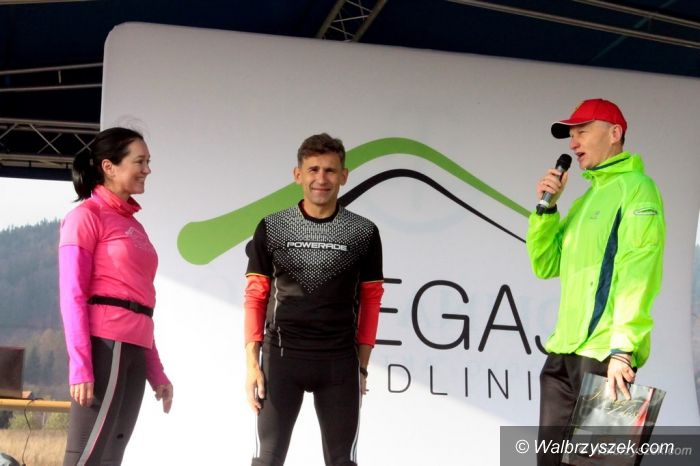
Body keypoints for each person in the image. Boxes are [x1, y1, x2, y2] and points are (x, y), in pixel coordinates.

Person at [526, 99, 665, 465]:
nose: (573, 142)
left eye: (583, 132)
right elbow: (546, 264)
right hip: (562, 356)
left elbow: (638, 271)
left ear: (614, 133)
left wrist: (623, 349)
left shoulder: (638, 189)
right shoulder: (587, 199)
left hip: (605, 356)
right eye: (571, 135)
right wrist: (547, 210)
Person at [243, 133, 384, 466]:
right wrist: (251, 364)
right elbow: (255, 297)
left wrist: (362, 367)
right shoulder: (272, 227)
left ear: (344, 176)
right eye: (314, 170)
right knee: (266, 460)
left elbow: (371, 302)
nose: (322, 178)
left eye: (330, 170)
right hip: (281, 358)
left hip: (339, 361)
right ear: (298, 175)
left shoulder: (364, 232)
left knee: (342, 461)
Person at [59, 127, 173, 466]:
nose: (147, 169)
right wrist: (81, 366)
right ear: (109, 167)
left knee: (111, 457)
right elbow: (72, 295)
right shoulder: (85, 217)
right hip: (105, 347)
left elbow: (140, 304)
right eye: (139, 161)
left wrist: (156, 371)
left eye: (148, 161)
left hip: (135, 348)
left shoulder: (134, 226)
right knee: (86, 456)